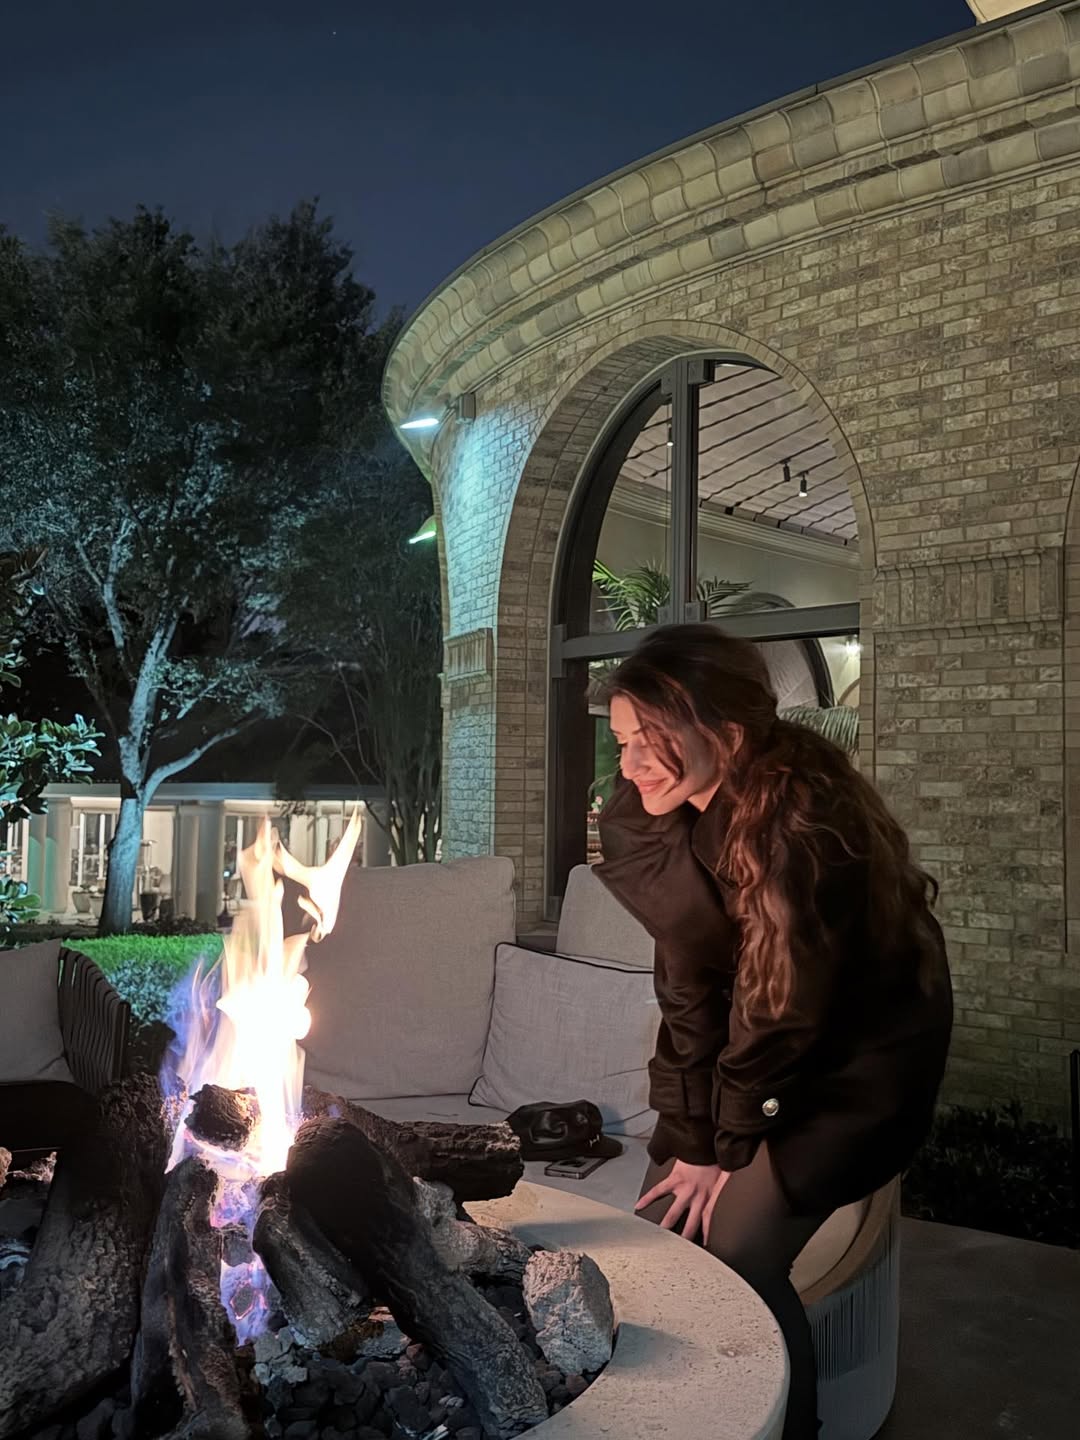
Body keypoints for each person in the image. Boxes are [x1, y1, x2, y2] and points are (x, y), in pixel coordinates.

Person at [593, 624, 952, 1440]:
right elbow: (689, 988)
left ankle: (792, 1430)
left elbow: (783, 1004)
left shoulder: (800, 826)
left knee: (735, 1256)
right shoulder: (668, 817)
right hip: (764, 1056)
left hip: (856, 1070)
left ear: (724, 733)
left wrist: (728, 1144)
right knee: (662, 1231)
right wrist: (692, 1136)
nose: (630, 764)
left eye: (650, 740)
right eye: (620, 742)